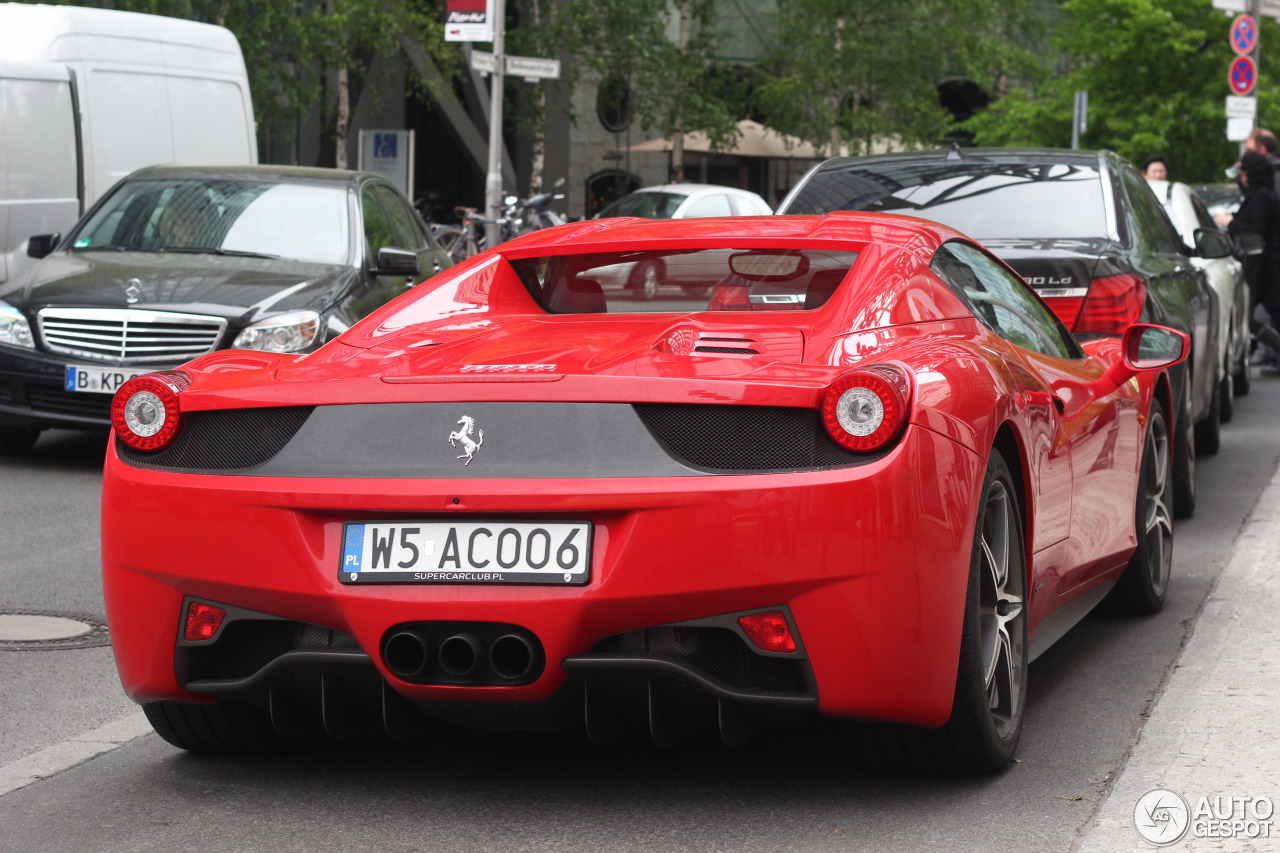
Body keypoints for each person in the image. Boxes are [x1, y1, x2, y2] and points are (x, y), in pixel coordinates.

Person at [1226, 151, 1280, 369]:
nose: (1241, 176)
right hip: (1264, 264)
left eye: (1243, 171)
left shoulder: (1261, 197)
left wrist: (1231, 222)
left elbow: (1255, 232)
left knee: (1247, 314)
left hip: (1263, 265)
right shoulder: (1262, 195)